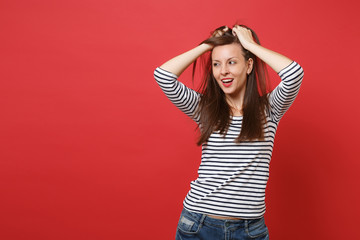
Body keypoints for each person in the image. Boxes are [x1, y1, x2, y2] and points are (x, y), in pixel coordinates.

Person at [154, 25, 304, 240]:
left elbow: (294, 74)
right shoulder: (204, 109)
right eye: (216, 64)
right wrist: (207, 46)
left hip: (249, 230)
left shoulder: (270, 108)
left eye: (232, 62)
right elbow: (163, 76)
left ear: (248, 65)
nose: (223, 71)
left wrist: (250, 45)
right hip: (198, 224)